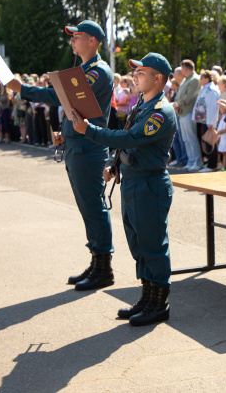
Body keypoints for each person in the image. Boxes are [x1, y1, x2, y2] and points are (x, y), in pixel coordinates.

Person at [6, 20, 114, 291]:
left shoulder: (98, 71)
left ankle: (104, 268)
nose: (71, 41)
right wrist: (64, 133)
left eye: (76, 37)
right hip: (77, 145)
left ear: (92, 40)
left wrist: (23, 88)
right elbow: (74, 107)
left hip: (89, 148)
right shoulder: (83, 70)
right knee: (87, 206)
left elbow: (60, 96)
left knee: (93, 206)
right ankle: (96, 261)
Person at [71, 52, 177, 326]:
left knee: (153, 244)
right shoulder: (142, 103)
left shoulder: (160, 111)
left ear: (158, 78)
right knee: (138, 243)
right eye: (136, 72)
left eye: (141, 72)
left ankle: (159, 302)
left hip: (149, 183)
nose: (135, 76)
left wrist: (89, 131)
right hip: (132, 179)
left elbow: (130, 137)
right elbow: (128, 141)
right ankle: (147, 296)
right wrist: (115, 165)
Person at [174, 60, 202, 172]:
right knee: (186, 139)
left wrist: (177, 103)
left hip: (188, 112)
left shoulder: (195, 79)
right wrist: (176, 104)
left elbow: (190, 96)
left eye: (182, 68)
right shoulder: (186, 79)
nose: (181, 71)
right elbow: (180, 94)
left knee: (191, 138)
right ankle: (191, 161)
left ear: (186, 68)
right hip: (182, 112)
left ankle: (197, 162)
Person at [193, 69, 220, 172]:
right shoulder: (205, 89)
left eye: (201, 78)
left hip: (208, 121)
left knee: (210, 141)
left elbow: (212, 107)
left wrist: (210, 122)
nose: (200, 80)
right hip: (202, 120)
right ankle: (209, 162)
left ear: (207, 79)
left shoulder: (211, 90)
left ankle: (212, 165)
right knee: (205, 140)